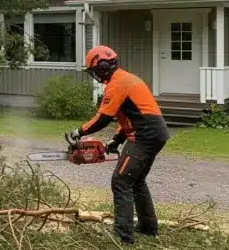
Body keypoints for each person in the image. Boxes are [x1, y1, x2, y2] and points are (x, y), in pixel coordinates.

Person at [68, 45, 170, 245]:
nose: (96, 75)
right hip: (155, 133)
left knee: (121, 182)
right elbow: (131, 116)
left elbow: (103, 118)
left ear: (104, 67)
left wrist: (79, 131)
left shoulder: (117, 84)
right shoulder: (127, 79)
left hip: (144, 137)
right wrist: (116, 140)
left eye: (95, 71)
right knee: (136, 182)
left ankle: (123, 235)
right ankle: (148, 228)